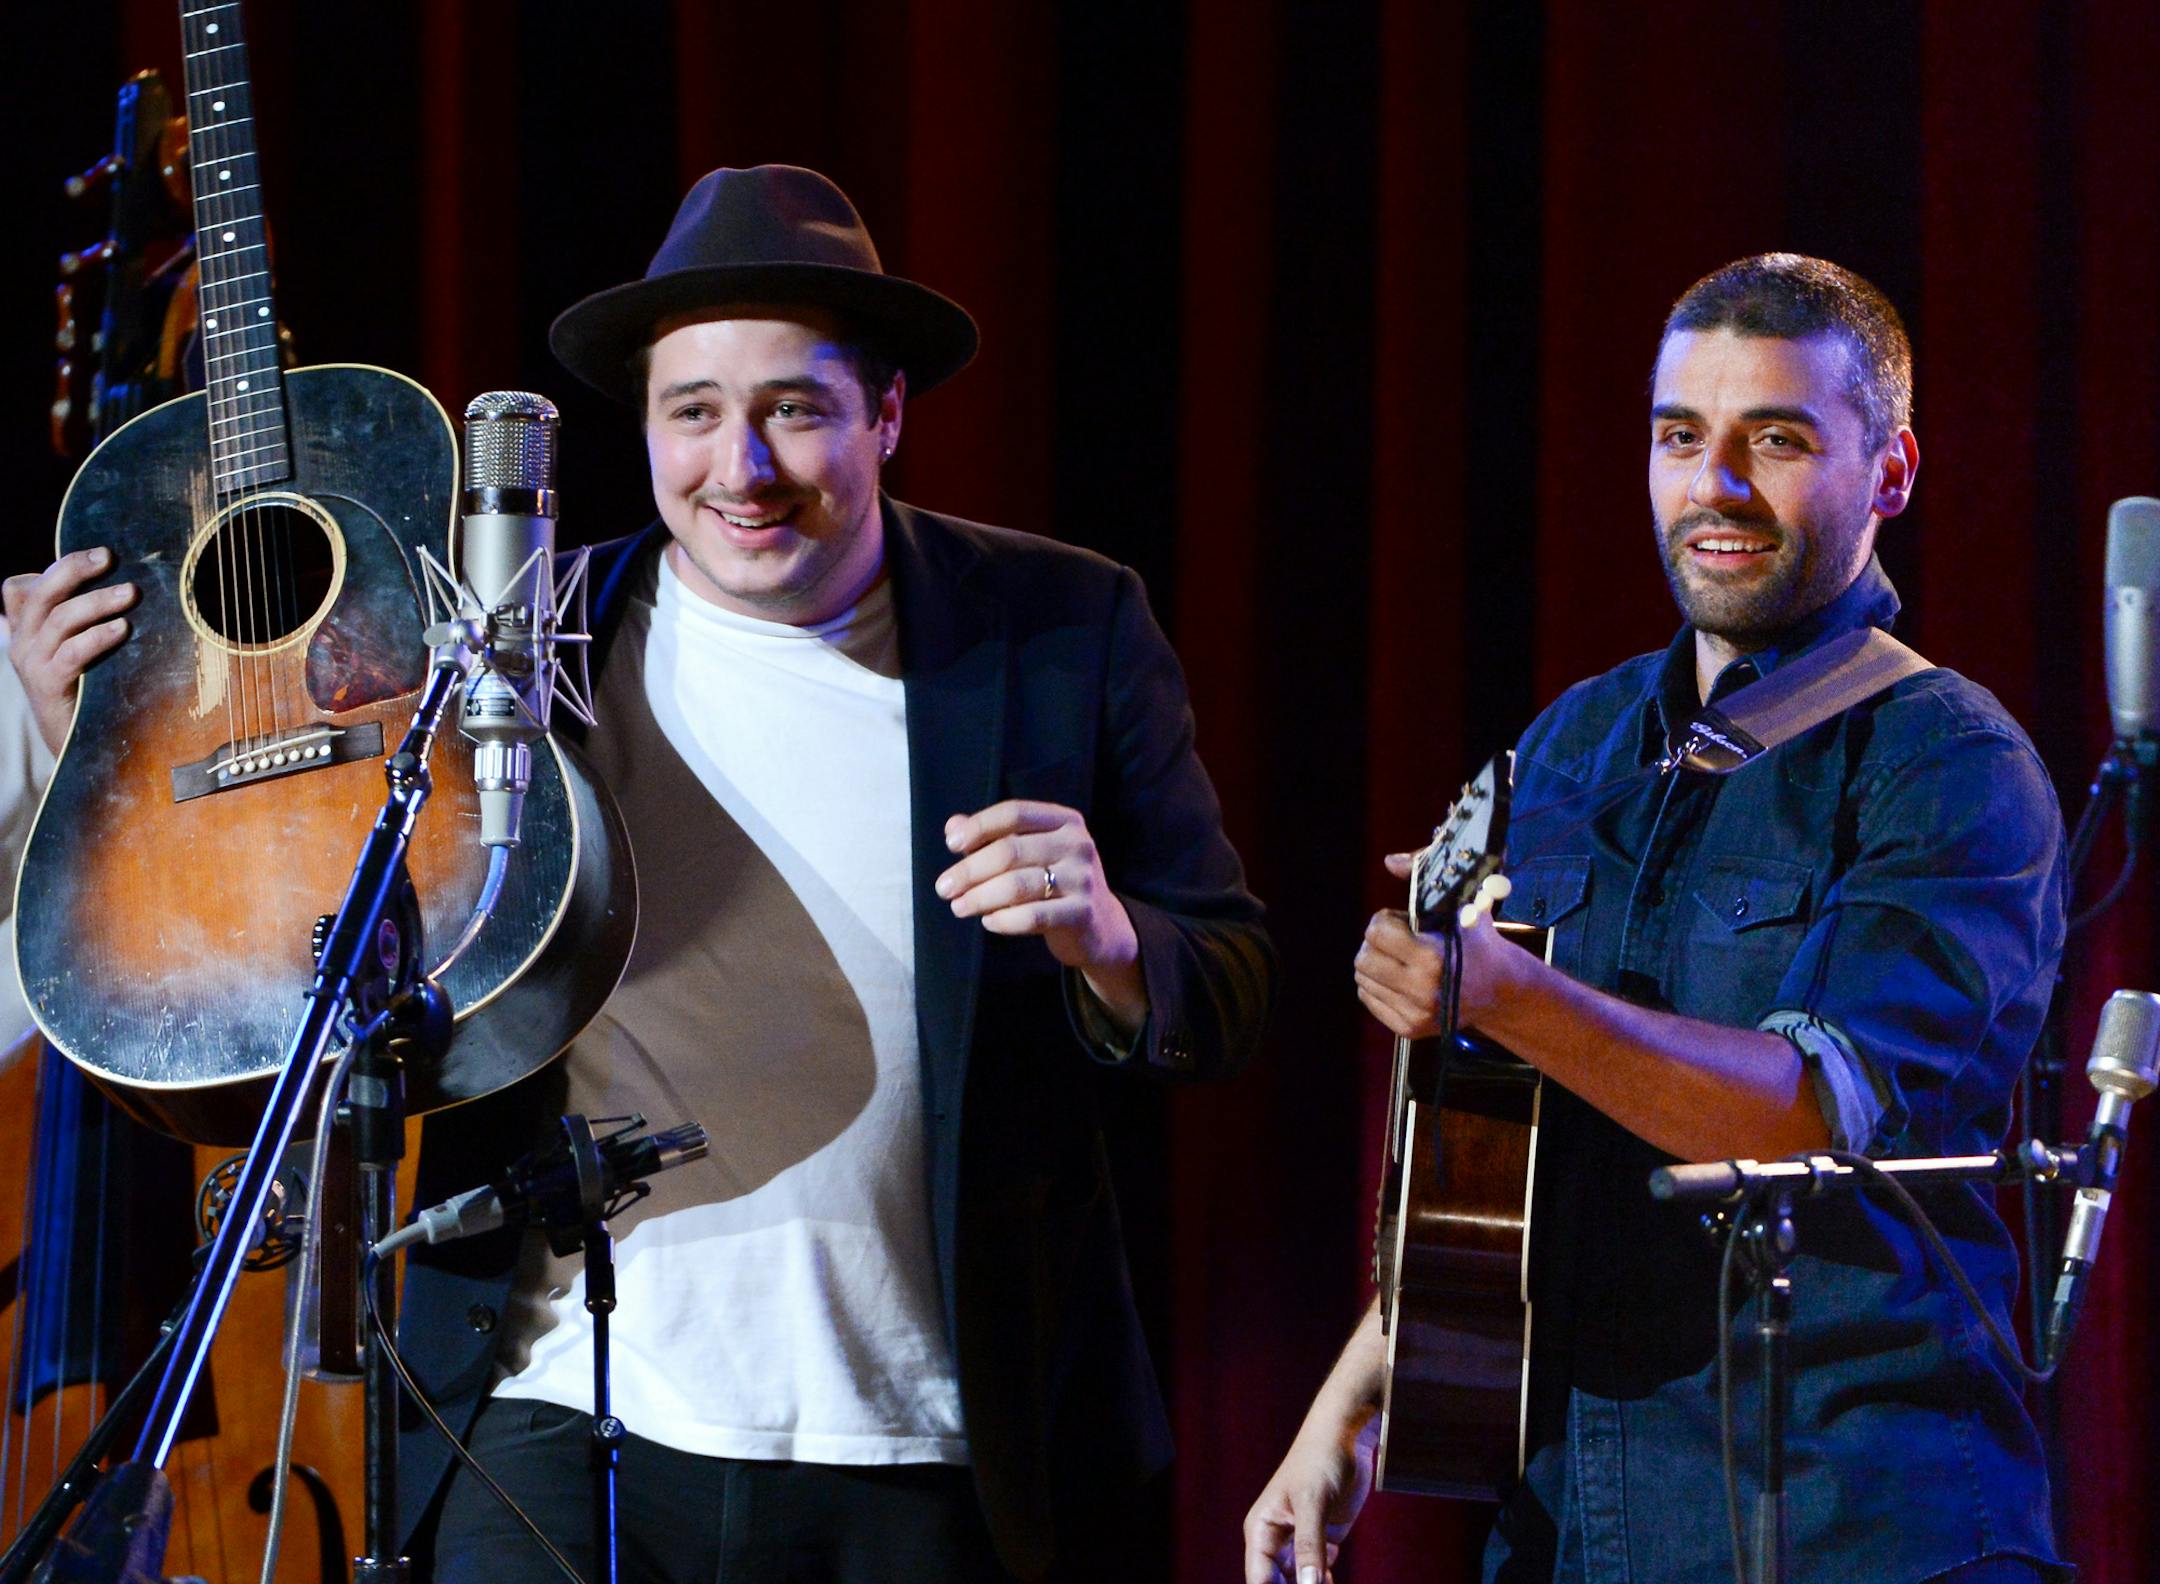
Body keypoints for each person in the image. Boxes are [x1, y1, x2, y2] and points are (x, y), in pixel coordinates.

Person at [8, 165, 1272, 1582]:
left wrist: (1107, 940)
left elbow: (1222, 984)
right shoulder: (517, 641)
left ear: (889, 413)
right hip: (562, 1406)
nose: (743, 469)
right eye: (695, 413)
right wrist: (107, 759)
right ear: (649, 427)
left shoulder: (1057, 629)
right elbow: (278, 949)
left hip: (932, 1441)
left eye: (796, 408)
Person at [1244, 255, 2065, 1584]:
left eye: (1777, 440)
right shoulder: (1575, 743)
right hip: (1580, 1518)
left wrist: (1500, 994)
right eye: (1681, 437)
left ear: (1894, 473)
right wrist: (1353, 1397)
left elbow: (1806, 1113)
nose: (1714, 487)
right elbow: (1494, 1149)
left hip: (1856, 1521)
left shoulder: (1950, 763)